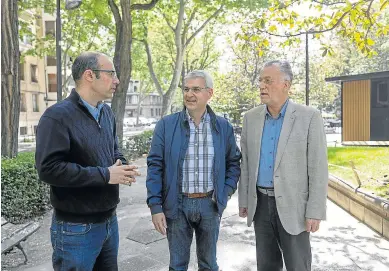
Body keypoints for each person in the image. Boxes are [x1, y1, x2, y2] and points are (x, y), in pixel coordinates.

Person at [35, 51, 140, 271]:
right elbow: (49, 169)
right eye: (111, 73)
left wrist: (122, 165)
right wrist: (106, 175)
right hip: (75, 230)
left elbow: (113, 150)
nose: (117, 80)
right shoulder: (56, 117)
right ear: (90, 75)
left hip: (109, 222)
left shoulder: (107, 113)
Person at [146, 70, 241, 271]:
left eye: (196, 89)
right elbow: (155, 166)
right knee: (178, 265)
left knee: (209, 265)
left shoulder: (223, 127)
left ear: (210, 93)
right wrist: (155, 206)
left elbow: (234, 163)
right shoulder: (166, 125)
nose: (189, 94)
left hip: (210, 205)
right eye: (186, 89)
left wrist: (225, 192)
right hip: (177, 205)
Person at [238, 60, 328, 271]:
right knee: (267, 266)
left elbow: (318, 168)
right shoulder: (250, 118)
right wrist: (244, 199)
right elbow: (246, 164)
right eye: (261, 81)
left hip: (295, 207)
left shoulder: (309, 117)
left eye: (268, 81)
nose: (262, 86)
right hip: (260, 204)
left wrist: (315, 210)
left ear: (286, 85)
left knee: (298, 266)